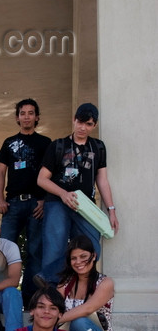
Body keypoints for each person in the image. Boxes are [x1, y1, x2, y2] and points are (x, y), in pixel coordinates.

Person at [37, 103, 119, 285]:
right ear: (74, 120)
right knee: (54, 248)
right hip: (57, 202)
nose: (83, 127)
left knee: (91, 248)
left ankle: (49, 275)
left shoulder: (98, 147)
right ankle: (50, 293)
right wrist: (63, 194)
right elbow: (42, 179)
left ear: (94, 126)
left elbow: (102, 180)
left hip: (85, 205)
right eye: (80, 122)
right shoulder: (58, 145)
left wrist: (111, 210)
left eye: (88, 124)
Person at [0, 98, 51, 307]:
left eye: (30, 113)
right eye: (23, 113)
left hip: (37, 205)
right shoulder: (9, 142)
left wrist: (45, 200)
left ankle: (29, 298)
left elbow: (51, 174)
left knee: (35, 252)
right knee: (4, 250)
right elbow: (1, 172)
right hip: (12, 204)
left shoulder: (46, 143)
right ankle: (1, 297)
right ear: (17, 117)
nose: (26, 116)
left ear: (36, 117)